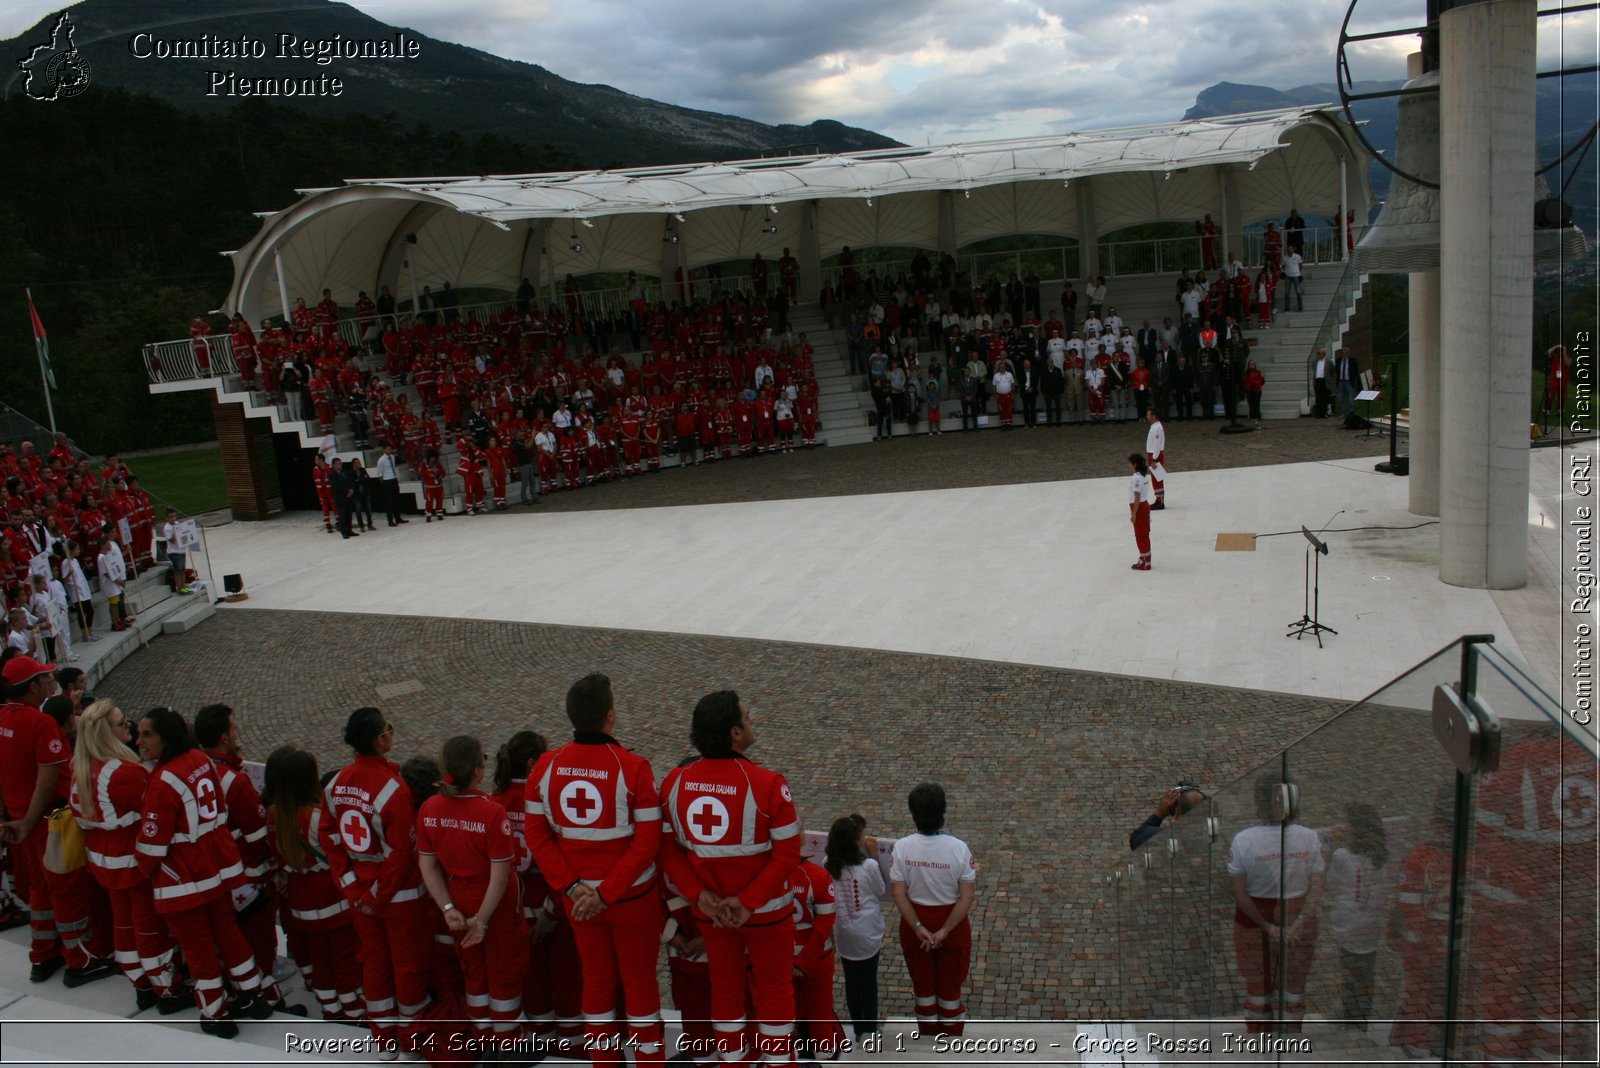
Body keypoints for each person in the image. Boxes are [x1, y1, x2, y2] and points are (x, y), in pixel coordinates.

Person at [523, 673, 666, 1065]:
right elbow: (647, 842)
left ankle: (603, 1060)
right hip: (632, 899)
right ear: (610, 715)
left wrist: (573, 889)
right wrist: (608, 892)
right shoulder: (634, 767)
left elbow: (537, 836)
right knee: (640, 984)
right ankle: (650, 1059)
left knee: (597, 981)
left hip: (579, 903)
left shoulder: (546, 768)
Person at [659, 691, 802, 1067]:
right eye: (747, 717)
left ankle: (731, 1060)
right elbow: (788, 853)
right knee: (774, 990)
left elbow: (667, 849)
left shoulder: (674, 782)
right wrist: (749, 900)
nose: (752, 720)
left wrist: (697, 894)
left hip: (712, 912)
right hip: (766, 912)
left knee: (724, 988)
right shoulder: (767, 784)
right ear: (735, 733)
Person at [134, 706, 278, 1037]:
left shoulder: (162, 781)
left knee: (197, 945)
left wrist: (142, 869)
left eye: (147, 734)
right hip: (218, 867)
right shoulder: (201, 760)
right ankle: (251, 994)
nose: (139, 741)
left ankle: (215, 1012)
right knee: (228, 932)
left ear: (166, 737)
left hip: (183, 878)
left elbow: (153, 843)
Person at [320, 707, 432, 1057]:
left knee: (374, 963)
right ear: (380, 740)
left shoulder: (336, 783)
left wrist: (354, 888)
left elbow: (331, 839)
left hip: (360, 896)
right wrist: (377, 894)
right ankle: (412, 1036)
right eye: (388, 728)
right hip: (397, 897)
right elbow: (400, 852)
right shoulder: (393, 788)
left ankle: (383, 1038)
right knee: (407, 964)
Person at [0, 656, 116, 987]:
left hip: (23, 821)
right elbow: (48, 780)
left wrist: (10, 818)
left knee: (40, 889)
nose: (50, 684)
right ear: (33, 686)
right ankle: (79, 960)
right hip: (50, 821)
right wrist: (27, 822)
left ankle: (43, 952)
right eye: (45, 679)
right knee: (68, 890)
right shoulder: (39, 724)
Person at [70, 700, 187, 1013]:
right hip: (134, 864)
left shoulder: (82, 768)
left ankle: (141, 983)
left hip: (103, 863)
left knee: (124, 925)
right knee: (149, 928)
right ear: (106, 733)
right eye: (122, 723)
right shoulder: (124, 774)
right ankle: (167, 990)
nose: (130, 728)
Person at [418, 735, 528, 1045]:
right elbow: (500, 875)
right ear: (478, 772)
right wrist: (482, 919)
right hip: (494, 903)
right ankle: (508, 1044)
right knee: (503, 972)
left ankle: (483, 1039)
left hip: (456, 895)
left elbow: (428, 866)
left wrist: (448, 909)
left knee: (474, 973)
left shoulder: (429, 807)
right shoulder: (491, 812)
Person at [262, 745, 362, 1025]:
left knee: (320, 961)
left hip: (300, 902)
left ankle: (330, 1008)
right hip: (332, 899)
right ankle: (353, 1012)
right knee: (345, 959)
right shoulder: (318, 817)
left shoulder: (273, 815)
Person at [194, 704, 282, 999]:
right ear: (223, 737)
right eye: (233, 727)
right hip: (249, 878)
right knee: (258, 941)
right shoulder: (235, 780)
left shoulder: (194, 771)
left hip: (213, 874)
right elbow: (258, 837)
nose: (237, 732)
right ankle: (264, 989)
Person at [1227, 773, 1325, 1033]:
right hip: (1297, 918)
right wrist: (1301, 921)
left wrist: (1267, 927)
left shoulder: (1243, 840)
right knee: (1294, 985)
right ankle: (1292, 1037)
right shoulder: (1309, 837)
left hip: (1253, 922)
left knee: (1258, 987)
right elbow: (1317, 885)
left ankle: (1259, 1037)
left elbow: (1239, 892)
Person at [889, 783, 977, 1036]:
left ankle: (927, 1034)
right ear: (943, 812)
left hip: (915, 923)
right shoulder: (959, 849)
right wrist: (945, 930)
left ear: (913, 814)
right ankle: (951, 1036)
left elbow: (898, 893)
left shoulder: (902, 847)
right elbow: (966, 896)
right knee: (950, 986)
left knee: (923, 985)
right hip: (952, 925)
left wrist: (918, 927)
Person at [1325, 802, 1392, 1028]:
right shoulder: (1381, 858)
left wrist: (1334, 846)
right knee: (1367, 970)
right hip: (1371, 926)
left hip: (1348, 925)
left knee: (1350, 972)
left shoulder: (1342, 856)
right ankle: (1363, 1014)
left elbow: (1331, 883)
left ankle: (1350, 1014)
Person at [825, 814, 884, 1041]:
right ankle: (870, 1029)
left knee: (852, 981)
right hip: (867, 932)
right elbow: (879, 889)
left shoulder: (828, 865)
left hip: (844, 931)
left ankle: (858, 1028)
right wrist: (875, 855)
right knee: (868, 981)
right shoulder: (868, 866)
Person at [789, 857, 844, 1062]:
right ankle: (824, 1058)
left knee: (780, 1016)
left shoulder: (767, 873)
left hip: (781, 957)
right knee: (820, 1014)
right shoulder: (817, 875)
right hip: (817, 958)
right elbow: (825, 923)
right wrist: (805, 961)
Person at [1128, 784, 1208, 851]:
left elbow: (1136, 839)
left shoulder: (1160, 837)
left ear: (1177, 813)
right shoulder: (1211, 840)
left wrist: (1159, 813)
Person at [1127, 453, 1153, 571]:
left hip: (1139, 507)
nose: (1129, 465)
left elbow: (1137, 498)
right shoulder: (1143, 477)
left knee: (1140, 535)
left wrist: (1133, 514)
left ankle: (1144, 561)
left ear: (1135, 464)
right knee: (1144, 534)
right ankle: (1146, 558)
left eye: (1130, 463)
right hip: (1144, 505)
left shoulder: (1137, 478)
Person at [157, 509, 192, 595]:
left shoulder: (177, 524)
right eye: (171, 517)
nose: (173, 518)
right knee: (177, 570)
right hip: (174, 552)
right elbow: (172, 540)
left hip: (181, 550)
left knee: (182, 570)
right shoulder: (167, 528)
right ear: (167, 518)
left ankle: (183, 585)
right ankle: (179, 588)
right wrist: (176, 530)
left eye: (174, 516)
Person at [375, 445, 406, 528]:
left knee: (396, 499)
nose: (389, 451)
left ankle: (398, 517)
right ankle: (390, 520)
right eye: (388, 449)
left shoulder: (392, 457)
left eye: (390, 449)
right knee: (389, 501)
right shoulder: (381, 460)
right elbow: (379, 474)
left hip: (393, 479)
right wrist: (384, 483)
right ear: (384, 450)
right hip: (387, 480)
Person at [1145, 409, 1167, 510]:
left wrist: (1154, 459)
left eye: (1148, 415)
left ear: (1154, 416)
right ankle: (1159, 499)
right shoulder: (1155, 427)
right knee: (1156, 478)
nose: (1147, 416)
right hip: (1154, 455)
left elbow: (1157, 445)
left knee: (1157, 478)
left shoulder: (1157, 428)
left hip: (1155, 455)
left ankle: (1160, 501)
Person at [1335, 348, 1360, 421]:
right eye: (1343, 353)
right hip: (1341, 381)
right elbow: (1337, 370)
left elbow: (1356, 370)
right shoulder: (1338, 360)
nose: (1344, 355)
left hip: (1349, 381)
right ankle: (1344, 413)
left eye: (1345, 353)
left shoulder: (1352, 360)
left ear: (1348, 353)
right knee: (1341, 399)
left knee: (1350, 398)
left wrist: (1352, 377)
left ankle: (1351, 413)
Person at [1311, 346, 1331, 419]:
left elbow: (1332, 370)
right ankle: (1318, 413)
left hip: (1324, 380)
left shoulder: (1328, 361)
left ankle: (1324, 412)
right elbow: (1313, 368)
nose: (1318, 354)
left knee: (1324, 397)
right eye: (1318, 353)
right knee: (1318, 397)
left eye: (1320, 353)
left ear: (1324, 354)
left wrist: (1328, 377)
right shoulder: (1315, 362)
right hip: (1317, 380)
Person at [1244, 360, 1265, 425]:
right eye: (1250, 364)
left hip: (1257, 390)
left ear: (1255, 365)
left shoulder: (1259, 372)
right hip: (1249, 390)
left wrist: (1256, 384)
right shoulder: (1246, 373)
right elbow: (1245, 381)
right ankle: (1251, 416)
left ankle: (1257, 417)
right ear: (1249, 365)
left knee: (1256, 403)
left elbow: (1262, 382)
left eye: (1253, 364)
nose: (1252, 365)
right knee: (1251, 403)